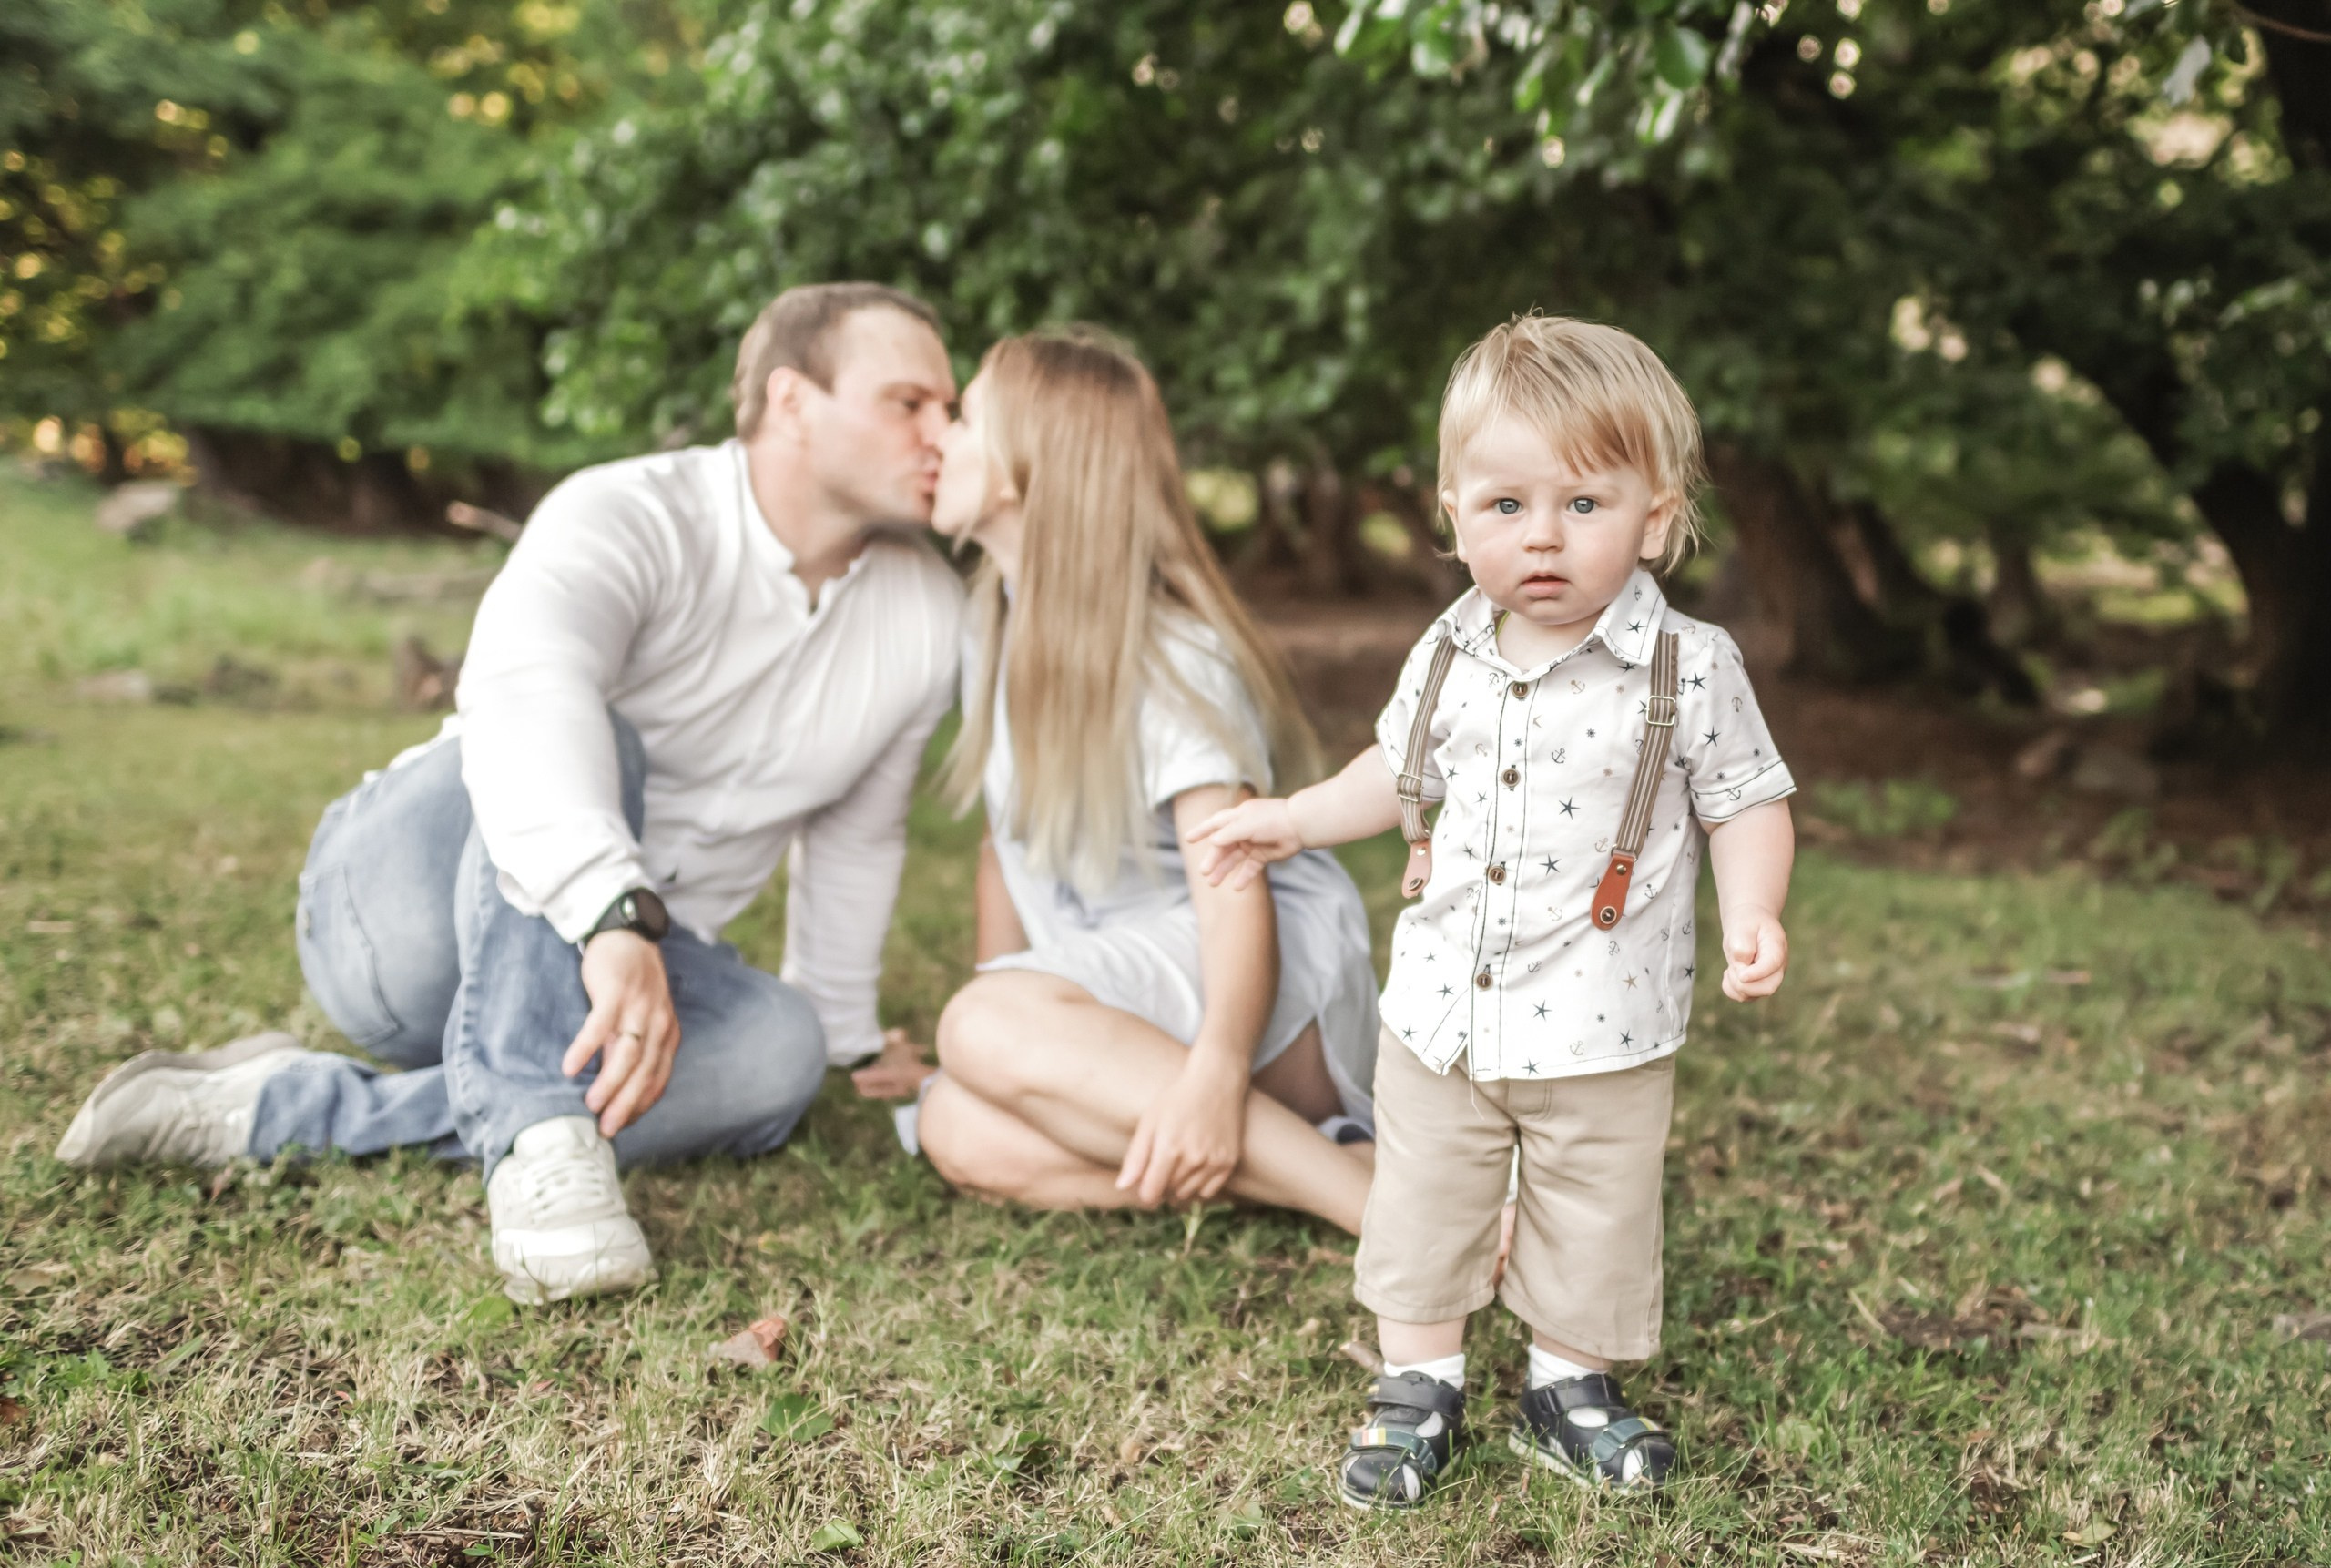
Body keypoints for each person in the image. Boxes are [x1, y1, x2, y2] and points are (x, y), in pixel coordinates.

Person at [55, 283, 964, 1305]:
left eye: (952, 407)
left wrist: (844, 1030)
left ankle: (282, 1106)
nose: (945, 432)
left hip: (613, 983)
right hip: (401, 919)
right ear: (793, 400)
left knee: (774, 1057)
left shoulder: (925, 611)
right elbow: (526, 693)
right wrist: (609, 911)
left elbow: (859, 832)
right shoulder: (628, 509)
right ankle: (535, 1124)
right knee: (589, 732)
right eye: (910, 402)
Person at [1190, 315, 1798, 1505]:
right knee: (1426, 1196)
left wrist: (1757, 908)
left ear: (1656, 517)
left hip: (1605, 1019)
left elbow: (1747, 799)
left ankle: (1568, 1384)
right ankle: (1419, 1382)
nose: (1544, 537)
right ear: (1453, 512)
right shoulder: (1450, 649)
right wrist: (1298, 817)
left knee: (1597, 1203)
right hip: (1445, 1009)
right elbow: (1396, 771)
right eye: (1507, 504)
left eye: (1584, 503)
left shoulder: (1692, 667)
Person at [865, 330, 1379, 1234]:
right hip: (1135, 997)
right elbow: (1005, 851)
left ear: (1032, 465)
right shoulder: (994, 623)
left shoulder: (1167, 655)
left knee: (976, 1027)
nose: (939, 433)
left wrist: (1216, 1068)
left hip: (1253, 983)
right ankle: (1309, 1163)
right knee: (957, 1124)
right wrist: (1016, 1043)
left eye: (967, 416)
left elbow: (1233, 880)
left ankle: (1380, 1210)